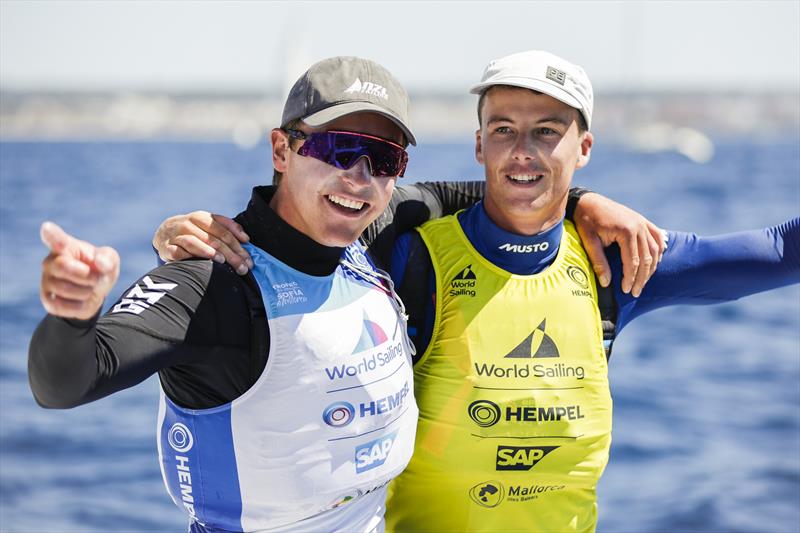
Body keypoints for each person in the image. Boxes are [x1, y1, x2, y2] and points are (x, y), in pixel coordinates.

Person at [155, 51, 799, 532]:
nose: (522, 151)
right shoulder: (409, 250)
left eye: (547, 131)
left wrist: (578, 203)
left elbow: (777, 250)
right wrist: (195, 234)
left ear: (585, 146)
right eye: (502, 130)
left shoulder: (616, 262)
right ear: (478, 143)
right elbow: (301, 220)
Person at [28, 55, 662, 533]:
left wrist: (585, 200)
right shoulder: (216, 281)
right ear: (282, 149)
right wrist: (73, 314)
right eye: (335, 148)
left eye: (383, 159)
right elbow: (66, 383)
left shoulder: (372, 231)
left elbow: (503, 194)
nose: (357, 178)